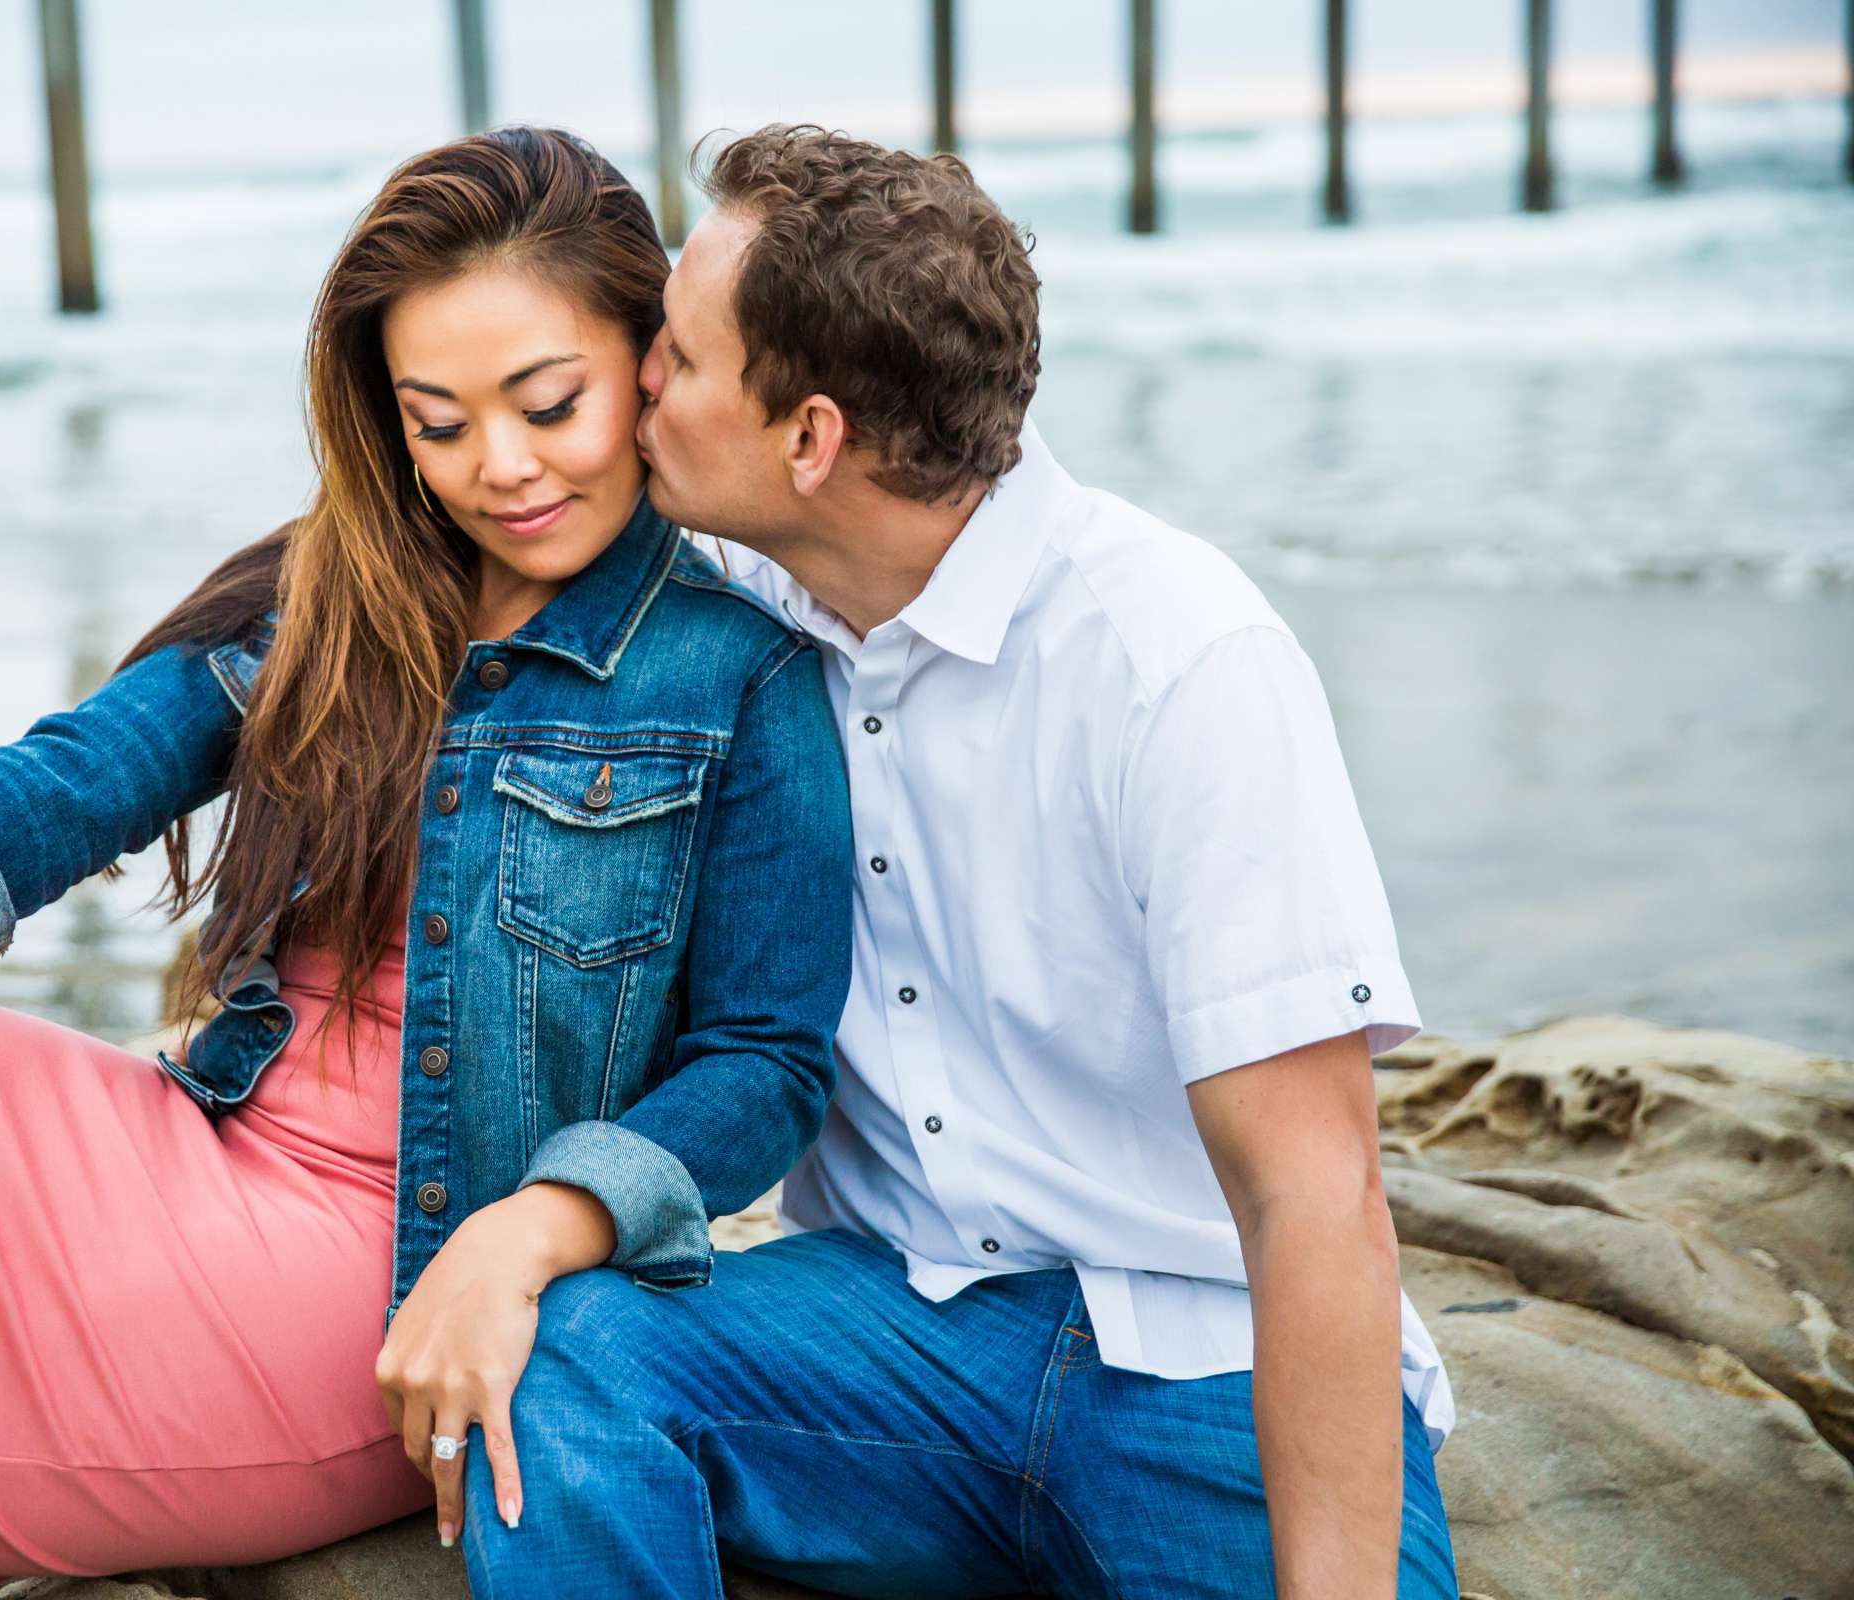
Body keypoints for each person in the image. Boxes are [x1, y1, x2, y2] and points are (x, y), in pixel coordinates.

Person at [0, 126, 853, 1600]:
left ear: (648, 364)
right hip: (204, 1148)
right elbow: (80, 778)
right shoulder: (343, 590)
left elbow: (764, 1063)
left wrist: (545, 1222)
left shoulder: (740, 677)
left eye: (548, 404)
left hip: (396, 1281)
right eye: (437, 421)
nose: (498, 468)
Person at [461, 124, 1461, 1599]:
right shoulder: (731, 606)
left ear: (811, 440)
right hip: (885, 1335)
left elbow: (1316, 1198)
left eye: (672, 354)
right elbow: (403, 569)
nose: (634, 388)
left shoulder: (1177, 656)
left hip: (1198, 1360)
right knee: (562, 1358)